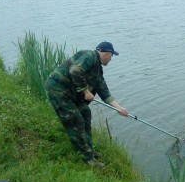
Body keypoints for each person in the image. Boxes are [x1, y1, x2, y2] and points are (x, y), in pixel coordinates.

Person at [44, 41, 128, 169]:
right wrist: (86, 91)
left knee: (85, 114)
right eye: (111, 56)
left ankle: (89, 149)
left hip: (70, 93)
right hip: (58, 91)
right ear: (106, 54)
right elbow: (75, 70)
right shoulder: (90, 56)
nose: (111, 59)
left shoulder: (98, 69)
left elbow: (104, 91)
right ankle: (87, 159)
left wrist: (119, 108)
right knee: (76, 121)